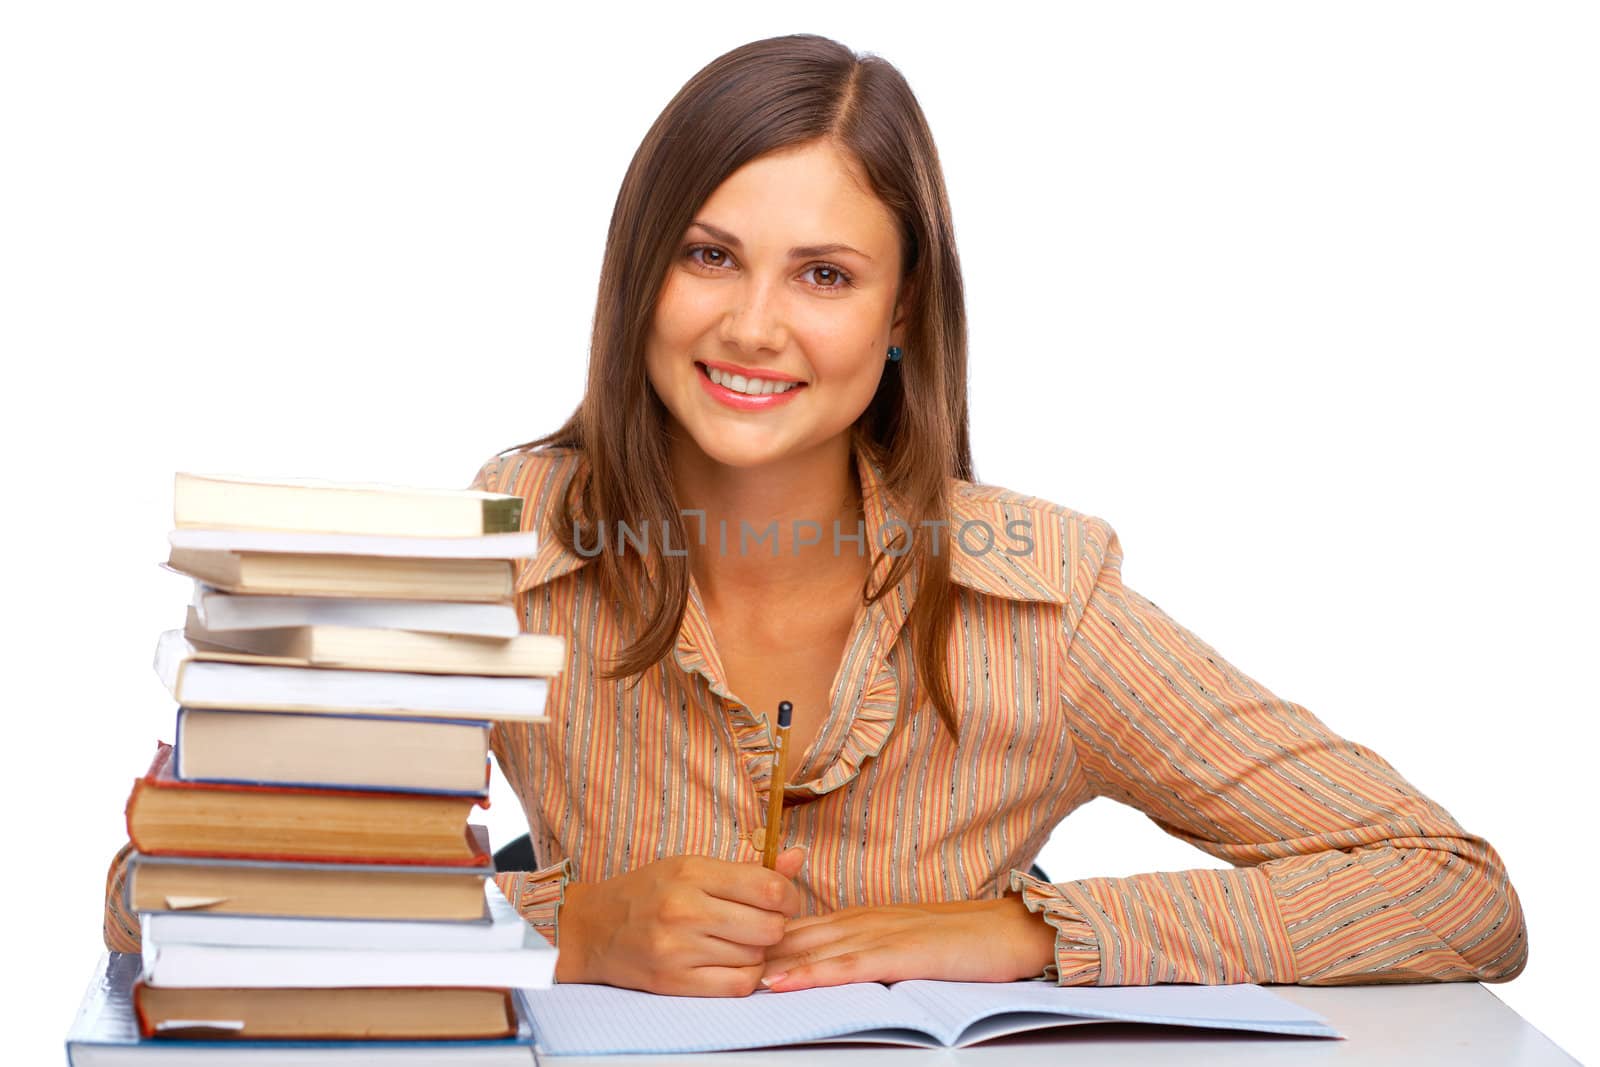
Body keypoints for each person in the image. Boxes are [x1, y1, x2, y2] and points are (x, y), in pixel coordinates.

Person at [102, 33, 1528, 998]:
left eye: (826, 275)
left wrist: (1026, 934)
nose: (754, 326)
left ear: (903, 312)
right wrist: (561, 926)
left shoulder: (1040, 599)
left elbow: (1455, 892)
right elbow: (167, 906)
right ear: (640, 275)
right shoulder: (504, 540)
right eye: (710, 256)